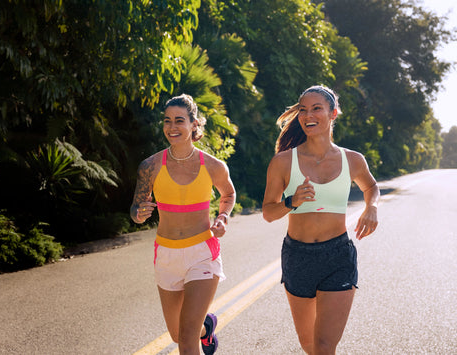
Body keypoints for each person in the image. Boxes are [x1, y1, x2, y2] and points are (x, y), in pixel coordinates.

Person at [262, 85, 379, 354]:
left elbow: (371, 187)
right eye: (303, 110)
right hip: (298, 256)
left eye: (317, 108)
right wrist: (291, 202)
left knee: (325, 346)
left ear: (333, 113)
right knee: (309, 345)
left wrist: (371, 208)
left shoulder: (352, 160)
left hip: (337, 256)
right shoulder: (282, 162)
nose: (308, 115)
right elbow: (268, 212)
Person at [130, 94, 236, 355]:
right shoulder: (150, 166)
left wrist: (222, 217)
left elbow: (229, 195)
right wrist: (138, 214)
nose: (172, 127)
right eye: (167, 121)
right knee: (179, 335)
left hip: (202, 253)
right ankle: (206, 327)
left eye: (179, 120)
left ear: (194, 124)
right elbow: (134, 209)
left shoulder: (213, 166)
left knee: (187, 341)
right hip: (166, 254)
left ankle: (199, 330)